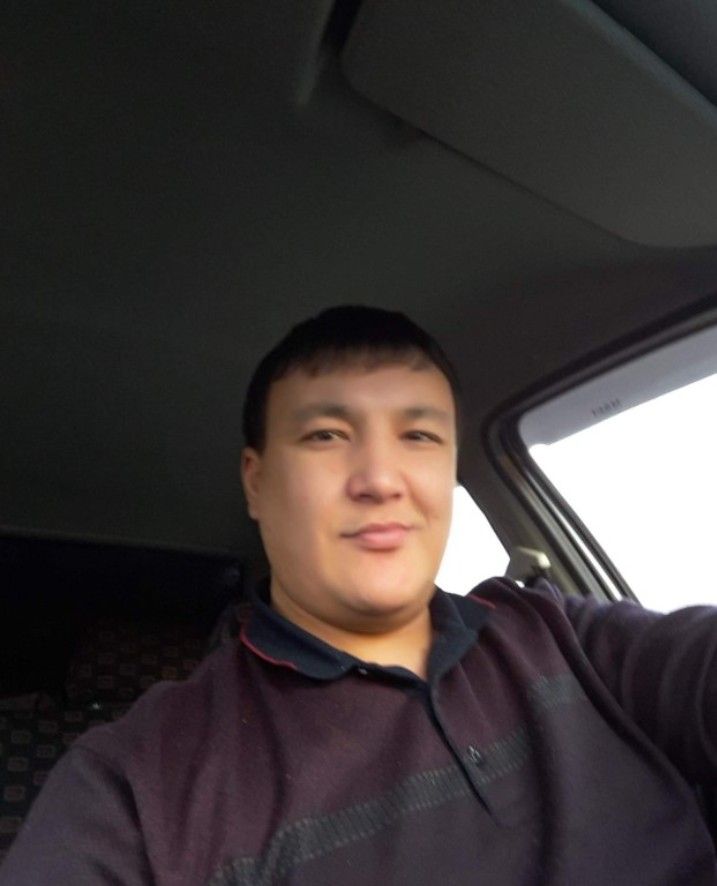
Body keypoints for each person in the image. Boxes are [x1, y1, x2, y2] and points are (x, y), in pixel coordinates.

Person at [1, 305, 716, 885]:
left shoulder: (559, 630)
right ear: (256, 482)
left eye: (419, 436)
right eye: (326, 434)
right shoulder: (138, 783)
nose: (380, 478)